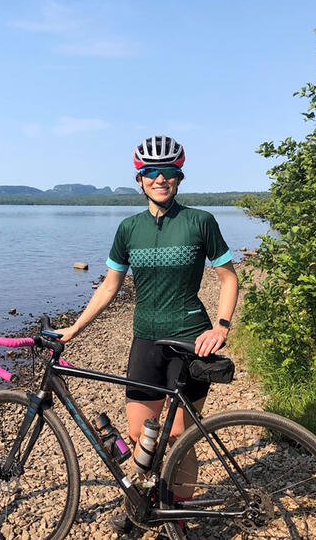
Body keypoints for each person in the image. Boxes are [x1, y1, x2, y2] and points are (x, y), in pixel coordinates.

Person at [55, 135, 239, 533]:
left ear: (179, 178)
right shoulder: (129, 229)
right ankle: (147, 502)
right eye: (152, 173)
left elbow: (228, 277)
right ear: (140, 179)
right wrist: (74, 329)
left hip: (190, 340)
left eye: (169, 172)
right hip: (145, 340)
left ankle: (181, 516)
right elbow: (109, 286)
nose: (160, 179)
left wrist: (220, 327)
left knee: (179, 436)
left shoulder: (200, 222)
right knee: (140, 431)